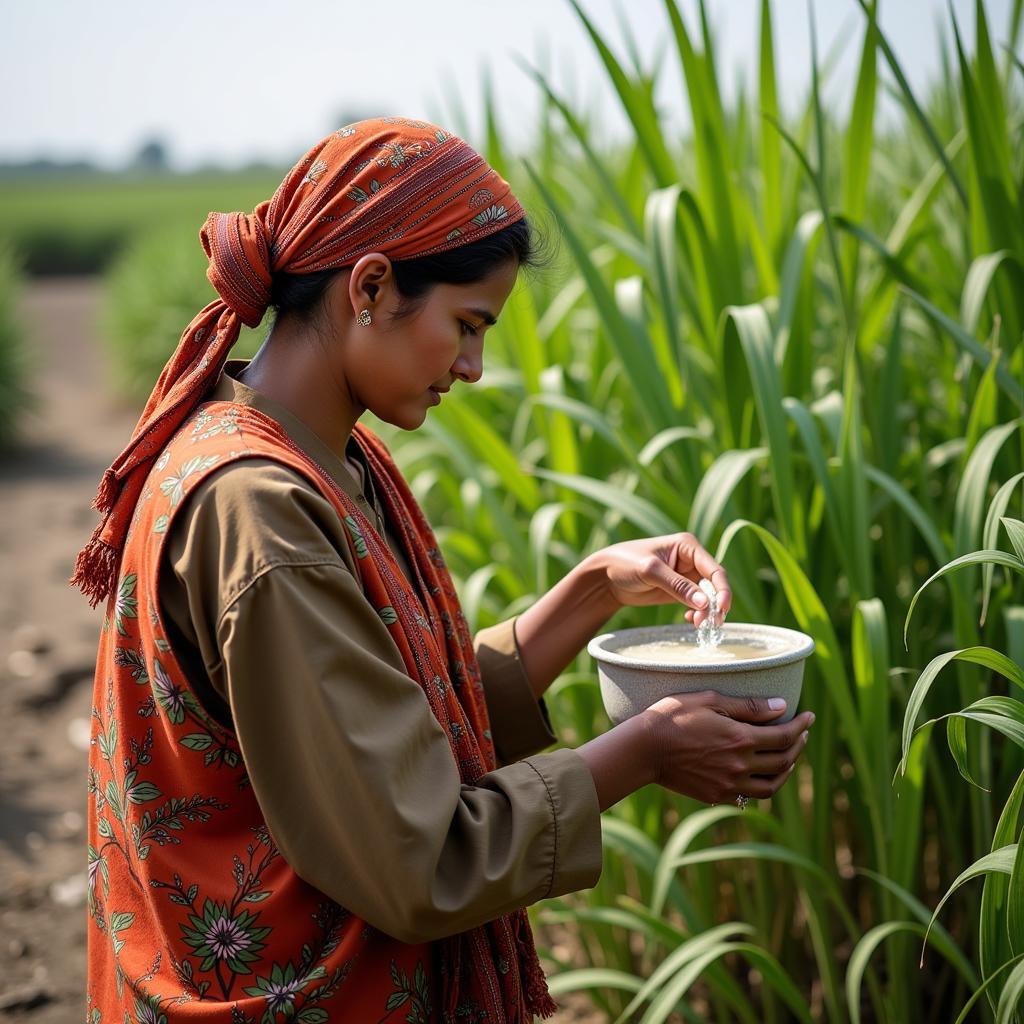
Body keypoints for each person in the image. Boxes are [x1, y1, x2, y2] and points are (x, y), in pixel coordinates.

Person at [73, 117, 815, 1024]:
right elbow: (413, 852)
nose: (472, 366)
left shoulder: (312, 457)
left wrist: (591, 592)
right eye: (467, 325)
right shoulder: (259, 510)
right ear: (373, 286)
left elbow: (385, 728)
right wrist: (647, 750)